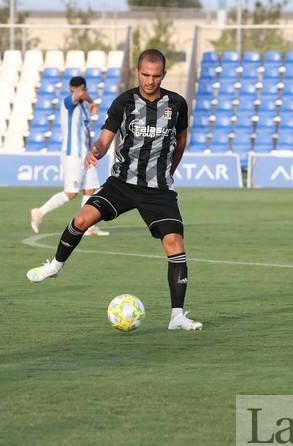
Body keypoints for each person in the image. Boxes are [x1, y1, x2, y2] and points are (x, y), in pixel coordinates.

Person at [26, 49, 202, 331]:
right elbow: (105, 140)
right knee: (82, 219)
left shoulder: (177, 104)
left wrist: (170, 171)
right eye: (145, 75)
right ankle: (55, 266)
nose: (150, 81)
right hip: (121, 183)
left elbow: (180, 141)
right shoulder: (124, 102)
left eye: (156, 76)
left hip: (158, 189)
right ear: (138, 71)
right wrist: (95, 151)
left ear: (163, 75)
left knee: (175, 243)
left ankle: (177, 316)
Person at [29, 76, 109, 237]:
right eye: (74, 90)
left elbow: (85, 131)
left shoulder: (83, 108)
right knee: (71, 193)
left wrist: (91, 151)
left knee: (91, 189)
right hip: (73, 154)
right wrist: (92, 101)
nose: (76, 93)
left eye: (79, 89)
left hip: (85, 154)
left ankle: (88, 226)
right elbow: (79, 97)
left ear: (84, 88)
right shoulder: (68, 103)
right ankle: (39, 212)